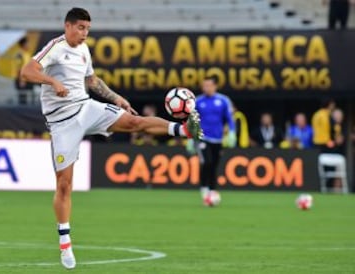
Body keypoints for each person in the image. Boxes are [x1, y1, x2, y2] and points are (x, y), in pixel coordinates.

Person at [20, 7, 202, 270]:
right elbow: (27, 71)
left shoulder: (83, 50)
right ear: (68, 26)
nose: (84, 34)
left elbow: (91, 80)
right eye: (81, 28)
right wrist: (52, 82)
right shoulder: (55, 47)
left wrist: (115, 97)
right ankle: (65, 242)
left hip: (85, 107)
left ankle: (183, 130)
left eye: (88, 29)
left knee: (134, 122)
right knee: (64, 185)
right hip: (62, 122)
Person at [187, 76, 235, 206]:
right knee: (206, 161)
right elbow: (192, 120)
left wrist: (232, 132)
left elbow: (229, 118)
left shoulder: (223, 100)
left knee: (214, 165)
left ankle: (213, 190)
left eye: (208, 85)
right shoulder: (198, 101)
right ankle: (204, 188)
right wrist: (191, 137)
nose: (206, 88)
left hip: (218, 138)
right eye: (204, 86)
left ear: (215, 86)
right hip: (202, 137)